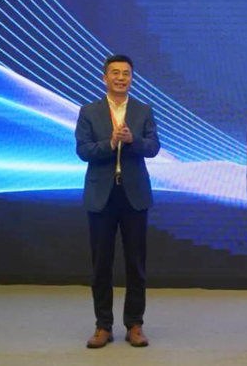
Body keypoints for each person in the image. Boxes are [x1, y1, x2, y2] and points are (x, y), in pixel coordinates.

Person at [75, 54, 160, 348]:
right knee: (101, 264)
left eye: (126, 73)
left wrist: (132, 140)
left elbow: (154, 147)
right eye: (115, 73)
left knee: (136, 264)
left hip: (134, 196)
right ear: (105, 78)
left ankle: (135, 324)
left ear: (131, 79)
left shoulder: (143, 110)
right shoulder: (89, 111)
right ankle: (103, 326)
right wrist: (111, 143)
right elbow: (83, 151)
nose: (121, 78)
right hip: (102, 196)